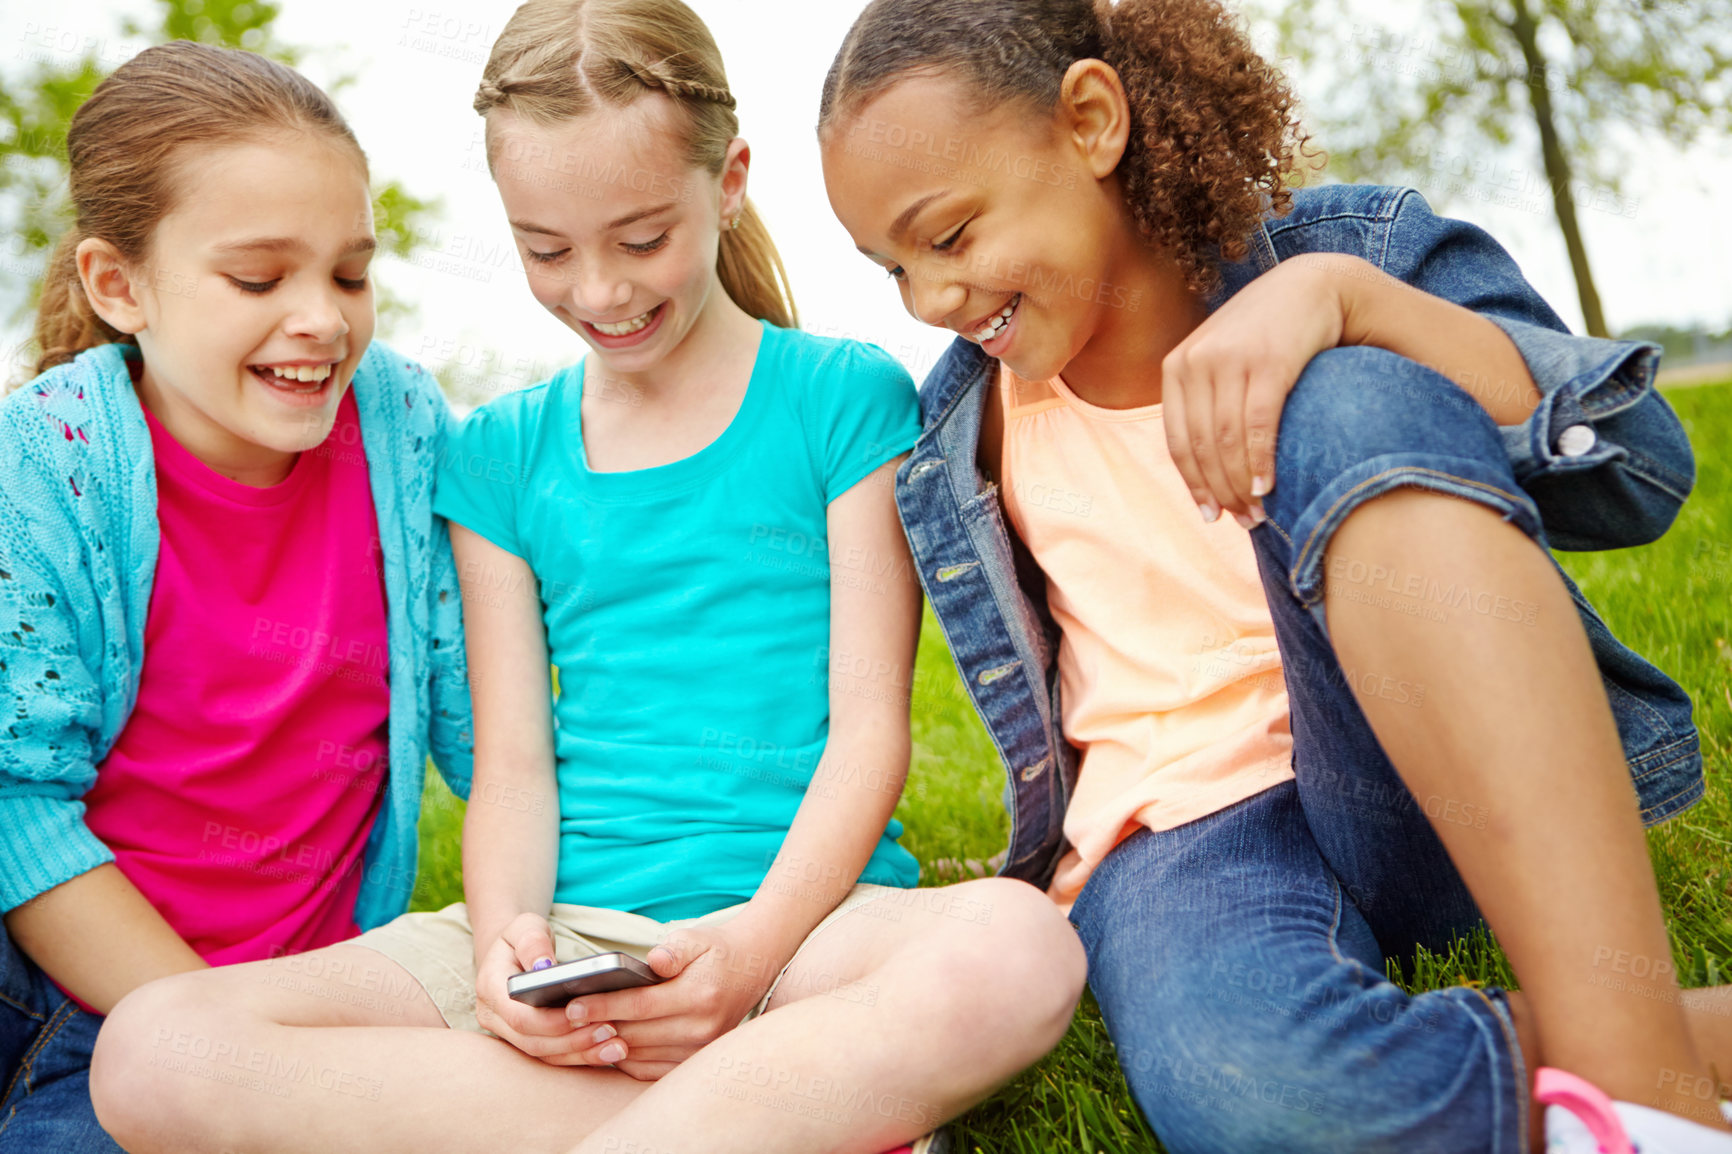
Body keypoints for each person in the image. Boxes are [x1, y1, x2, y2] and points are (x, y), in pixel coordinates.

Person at [90, 4, 1085, 1153]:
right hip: (569, 930)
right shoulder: (501, 454)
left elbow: (872, 731)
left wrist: (747, 955)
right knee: (155, 1047)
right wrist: (505, 947)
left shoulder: (841, 398)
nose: (601, 292)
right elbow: (511, 763)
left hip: (809, 929)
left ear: (729, 182)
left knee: (1021, 949)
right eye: (547, 251)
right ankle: (779, 1112)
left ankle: (692, 1104)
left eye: (642, 237)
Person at [816, 1, 1732, 1151]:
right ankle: (1675, 1042)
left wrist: (1349, 304)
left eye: (948, 237)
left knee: (1343, 391)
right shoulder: (966, 428)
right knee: (1251, 1080)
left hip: (1434, 781)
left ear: (1091, 121)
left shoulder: (1352, 252)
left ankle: (1640, 1085)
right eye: (890, 266)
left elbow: (1640, 467)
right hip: (1184, 840)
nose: (929, 298)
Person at [0, 40, 473, 1154]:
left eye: (350, 274)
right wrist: (221, 1049)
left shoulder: (401, 429)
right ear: (120, 285)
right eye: (260, 279)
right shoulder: (49, 460)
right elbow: (20, 806)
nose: (321, 318)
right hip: (85, 1002)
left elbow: (488, 730)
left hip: (321, 990)